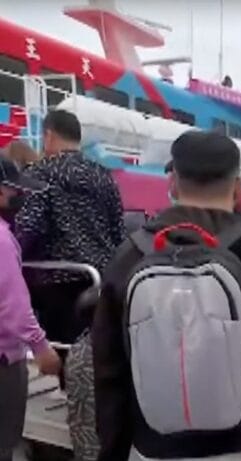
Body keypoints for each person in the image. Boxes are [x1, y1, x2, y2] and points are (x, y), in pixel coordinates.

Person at [92, 131, 241, 461]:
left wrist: (113, 450)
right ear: (238, 188)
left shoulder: (131, 257)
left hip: (157, 449)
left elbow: (109, 373)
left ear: (173, 183)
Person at [14, 109, 125, 389]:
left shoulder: (41, 174)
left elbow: (27, 227)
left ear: (49, 136)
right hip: (101, 277)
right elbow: (118, 230)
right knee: (95, 350)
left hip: (57, 279)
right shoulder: (103, 175)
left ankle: (72, 397)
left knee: (65, 351)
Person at [0, 157, 61, 461]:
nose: (20, 197)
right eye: (16, 191)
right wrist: (41, 347)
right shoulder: (2, 239)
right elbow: (12, 304)